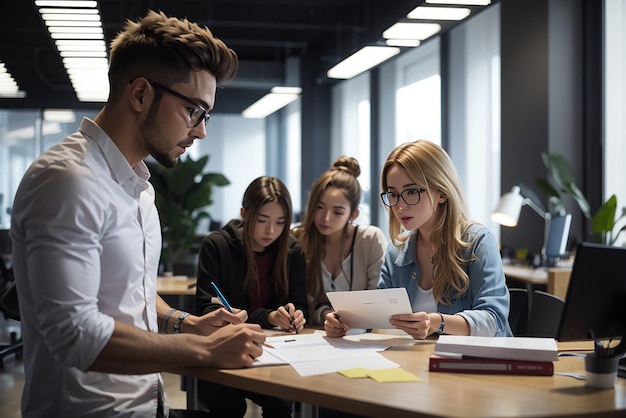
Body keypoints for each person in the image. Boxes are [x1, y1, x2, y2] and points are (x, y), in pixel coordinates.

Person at [10, 10, 268, 418]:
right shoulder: (67, 180)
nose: (201, 131)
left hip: (148, 404)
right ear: (141, 94)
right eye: (194, 111)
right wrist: (202, 348)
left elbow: (129, 291)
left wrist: (188, 323)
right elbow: (75, 335)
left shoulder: (138, 188)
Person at [325, 140, 512, 340]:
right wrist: (344, 323)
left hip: (475, 363)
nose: (400, 206)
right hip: (420, 362)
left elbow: (494, 319)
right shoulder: (395, 252)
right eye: (393, 194)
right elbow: (377, 319)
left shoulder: (479, 242)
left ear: (442, 192)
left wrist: (438, 322)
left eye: (412, 191)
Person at [195, 175, 308, 417]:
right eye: (262, 220)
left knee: (281, 402)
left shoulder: (292, 250)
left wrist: (295, 315)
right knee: (230, 406)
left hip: (273, 353)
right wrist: (268, 317)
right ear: (244, 213)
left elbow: (300, 304)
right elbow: (205, 309)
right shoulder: (217, 246)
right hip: (224, 352)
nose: (271, 231)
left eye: (280, 222)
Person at [292, 156, 387, 334]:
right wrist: (326, 315)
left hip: (364, 337)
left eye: (337, 212)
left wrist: (347, 320)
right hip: (316, 334)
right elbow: (304, 300)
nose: (325, 218)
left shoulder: (370, 239)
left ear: (353, 214)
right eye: (319, 207)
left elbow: (378, 301)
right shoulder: (299, 238)